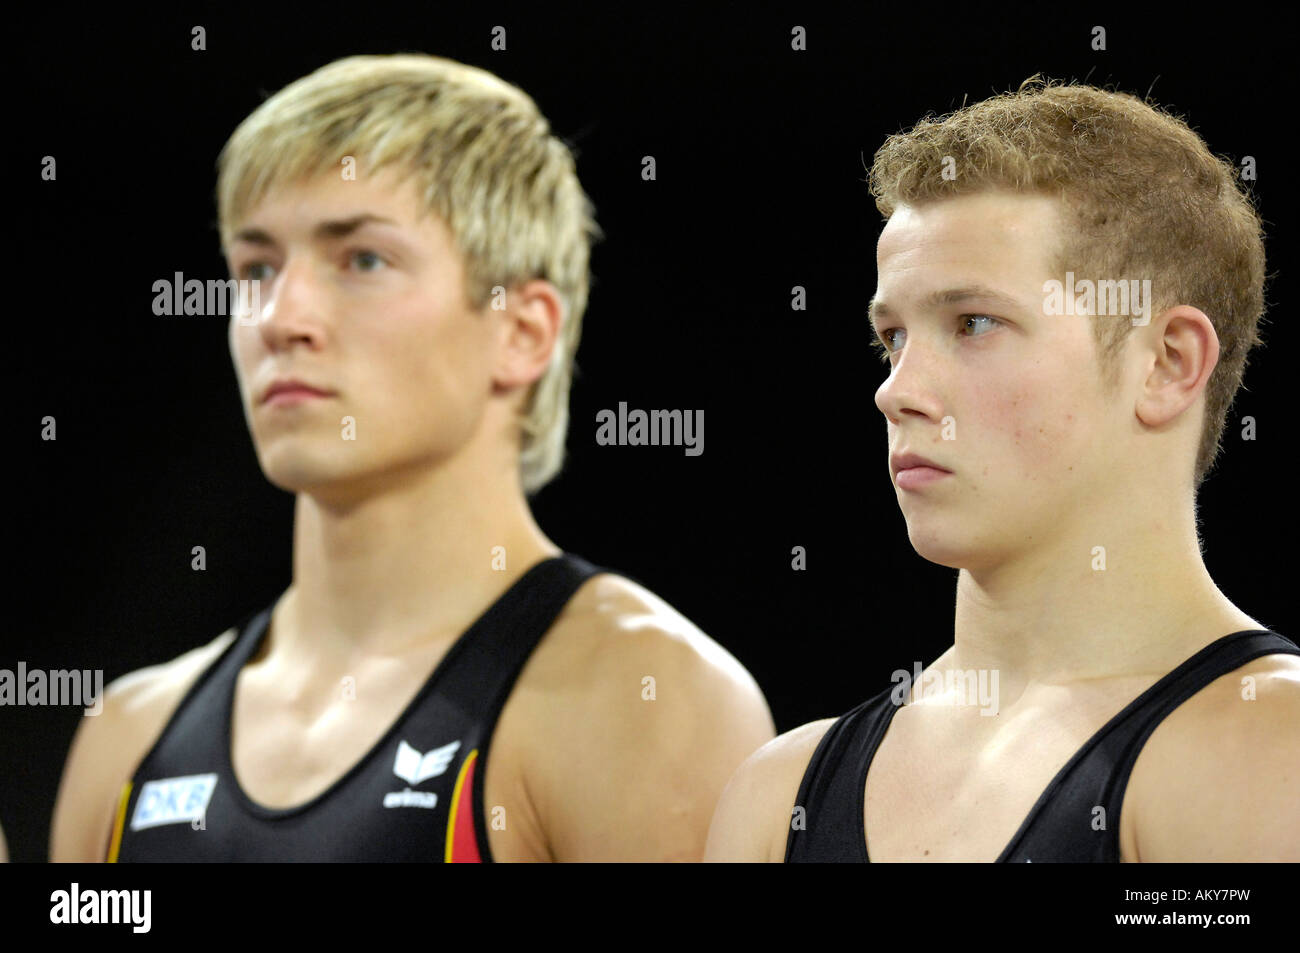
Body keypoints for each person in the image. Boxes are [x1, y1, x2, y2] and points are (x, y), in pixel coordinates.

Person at [50, 53, 774, 862]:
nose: (281, 317)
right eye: (256, 267)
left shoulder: (644, 700)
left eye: (362, 259)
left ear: (521, 330)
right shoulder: (126, 736)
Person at [705, 76, 1299, 862]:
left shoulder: (1266, 754)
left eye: (974, 323)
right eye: (894, 337)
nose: (896, 389)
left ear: (1166, 363)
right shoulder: (776, 797)